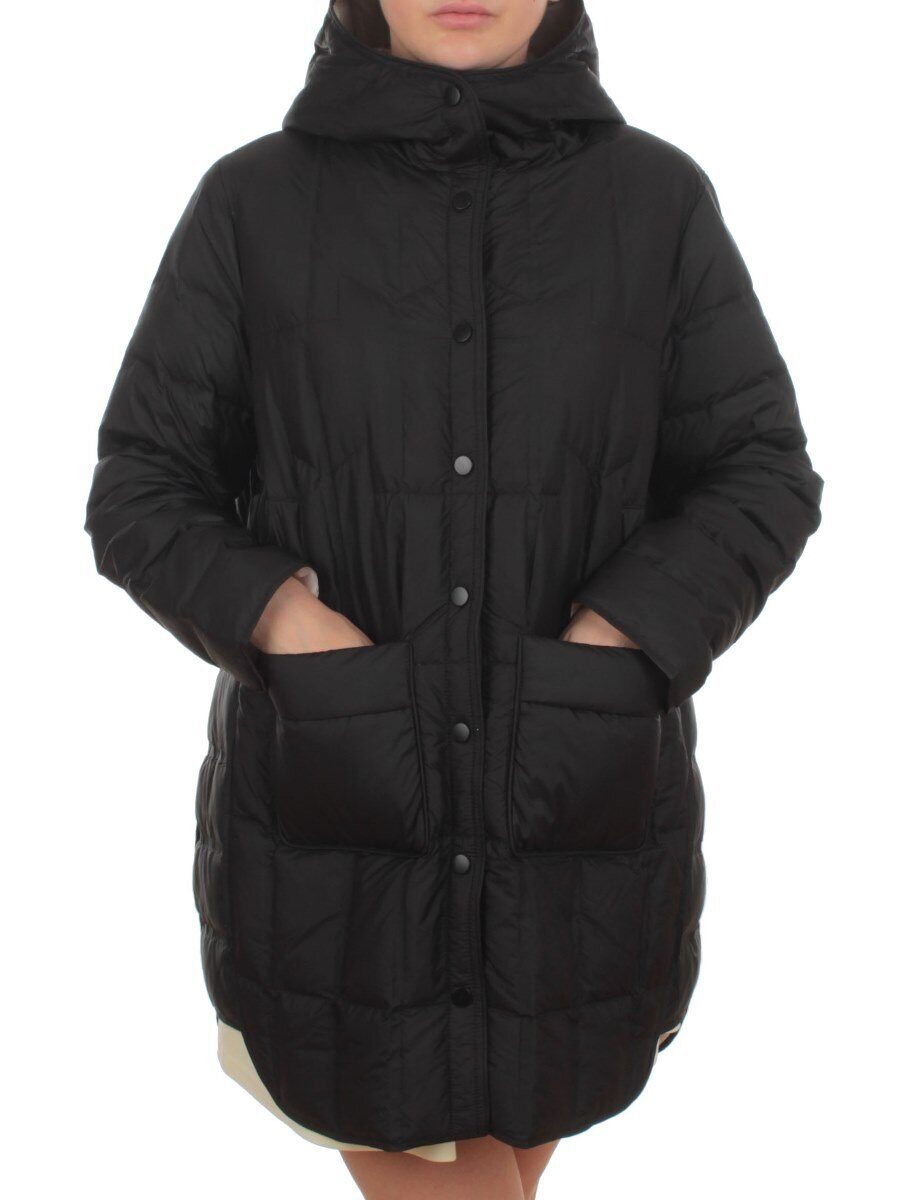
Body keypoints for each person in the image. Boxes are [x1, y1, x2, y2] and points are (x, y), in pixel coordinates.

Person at [83, 1, 825, 1197]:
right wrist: (290, 623)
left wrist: (619, 635)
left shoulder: (656, 203)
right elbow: (141, 486)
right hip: (343, 845)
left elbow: (762, 472)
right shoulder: (254, 203)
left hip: (575, 839)